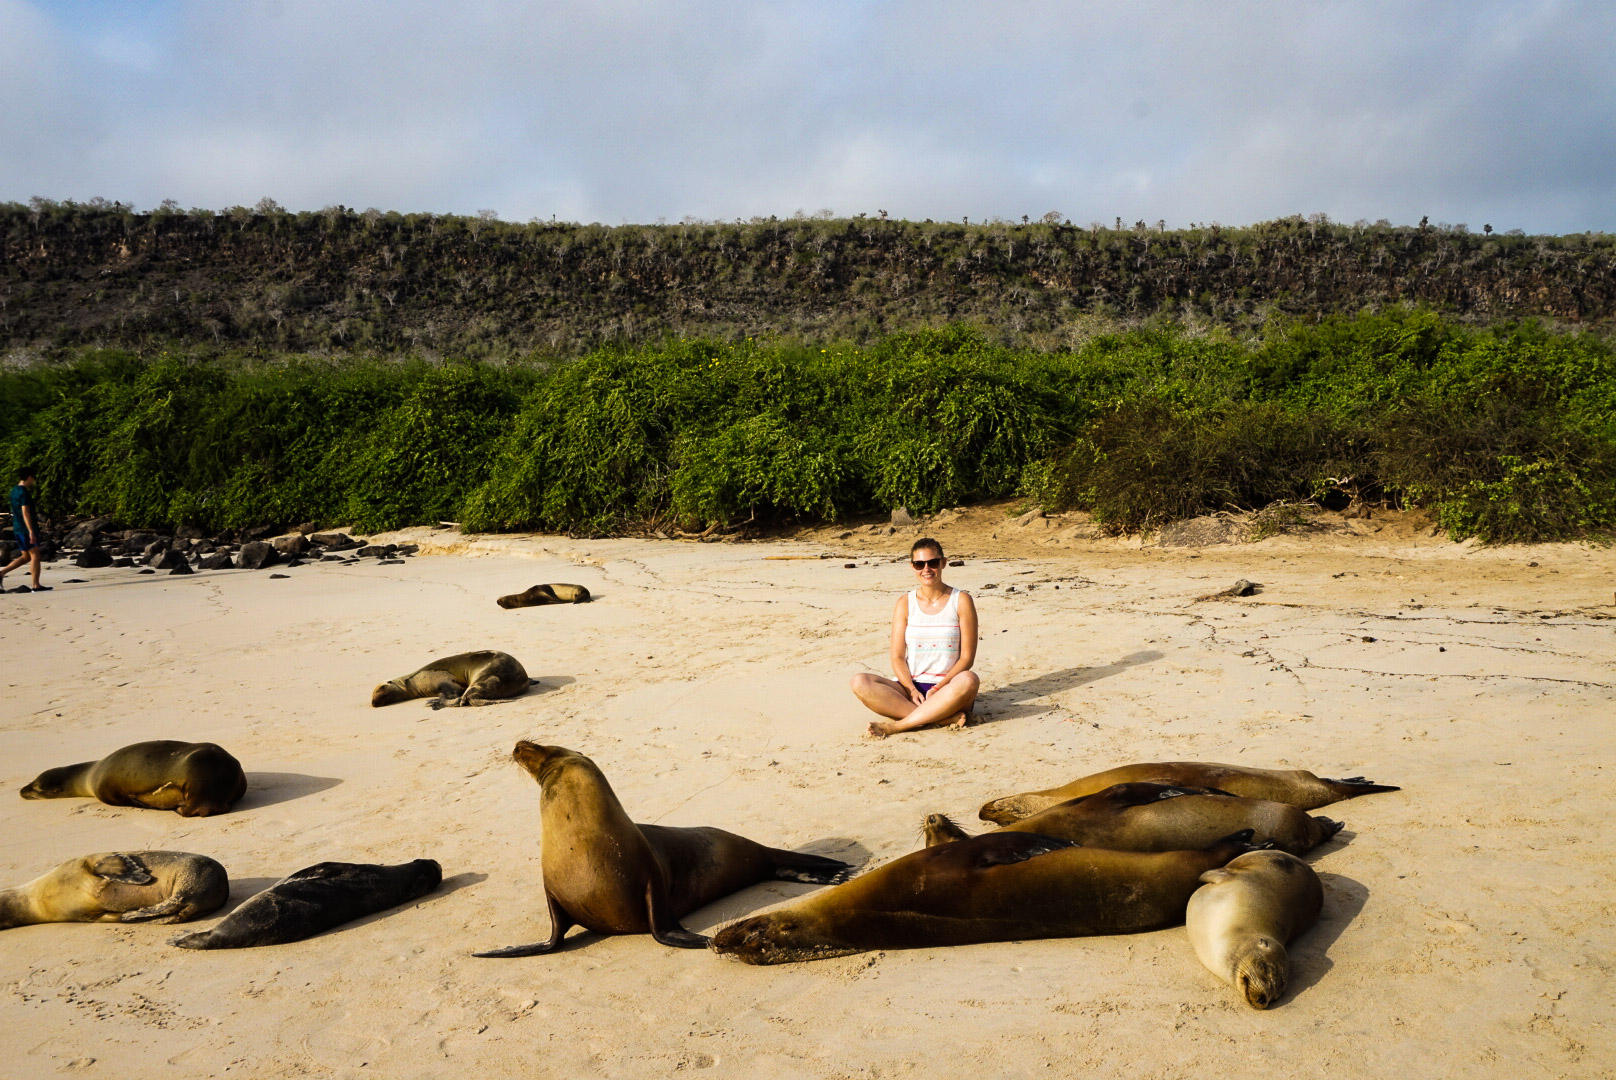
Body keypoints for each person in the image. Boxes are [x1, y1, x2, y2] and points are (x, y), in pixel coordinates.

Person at [851, 537, 979, 737]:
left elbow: (967, 658)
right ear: (913, 567)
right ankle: (941, 718)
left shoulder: (961, 600)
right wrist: (911, 690)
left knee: (970, 679)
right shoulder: (905, 602)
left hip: (949, 689)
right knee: (859, 681)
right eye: (920, 564)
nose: (926, 569)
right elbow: (897, 657)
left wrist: (939, 687)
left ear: (943, 563)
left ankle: (898, 726)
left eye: (933, 562)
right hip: (910, 690)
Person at [1, 466, 49, 592]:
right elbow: (25, 512)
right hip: (25, 529)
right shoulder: (23, 492)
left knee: (26, 557)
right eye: (33, 478)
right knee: (35, 555)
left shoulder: (13, 491)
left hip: (17, 527)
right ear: (29, 477)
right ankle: (36, 585)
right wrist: (31, 531)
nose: (34, 481)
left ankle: (1, 573)